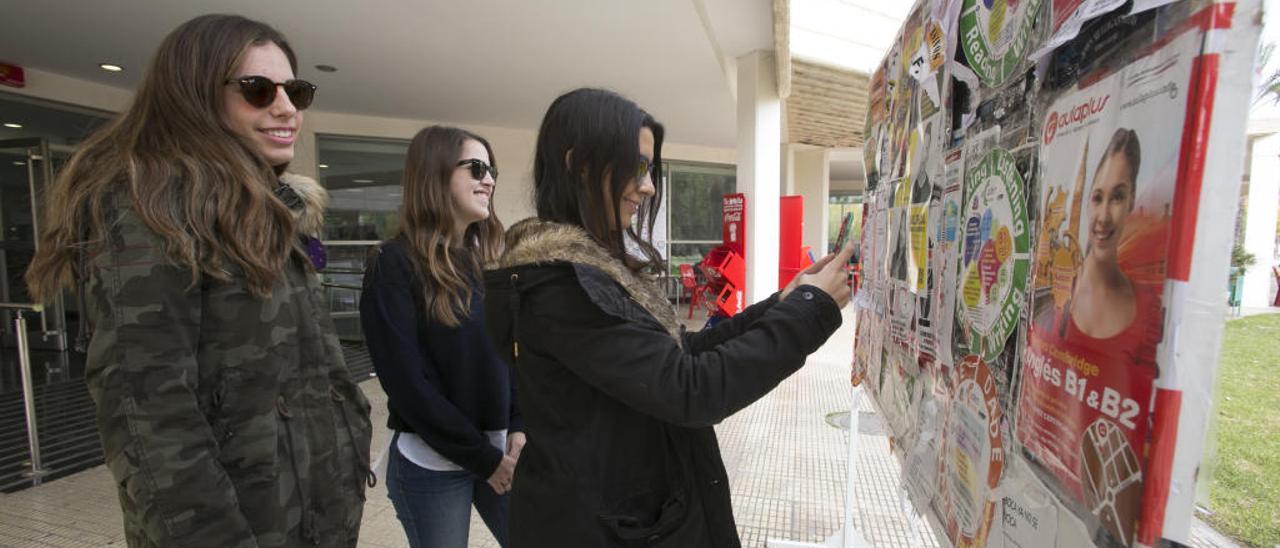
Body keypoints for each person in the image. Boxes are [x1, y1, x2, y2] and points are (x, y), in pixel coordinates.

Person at [24, 14, 371, 547]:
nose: (286, 108)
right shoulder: (147, 209)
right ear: (193, 96)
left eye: (295, 91)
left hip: (310, 520)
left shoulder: (267, 210)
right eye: (258, 90)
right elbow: (148, 418)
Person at [483, 88, 853, 547]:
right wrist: (808, 315)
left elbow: (683, 351)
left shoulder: (592, 270)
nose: (649, 186)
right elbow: (690, 390)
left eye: (650, 169)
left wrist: (786, 301)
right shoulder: (563, 287)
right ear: (580, 164)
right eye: (637, 167)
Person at [359, 126, 522, 548]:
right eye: (476, 168)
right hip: (433, 465)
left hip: (499, 454)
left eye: (492, 170)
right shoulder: (392, 265)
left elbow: (514, 354)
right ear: (434, 175)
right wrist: (485, 460)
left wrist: (520, 425)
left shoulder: (488, 260)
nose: (489, 180)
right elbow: (409, 387)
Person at [1066, 128, 1147, 340]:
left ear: (1132, 200)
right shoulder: (1062, 289)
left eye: (1117, 197)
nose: (1103, 217)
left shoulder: (1148, 311)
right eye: (1097, 197)